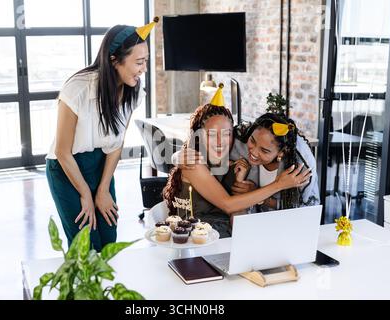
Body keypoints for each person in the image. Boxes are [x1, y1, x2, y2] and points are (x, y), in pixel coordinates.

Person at [46, 18, 159, 251]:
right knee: (85, 245)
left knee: (108, 239)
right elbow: (62, 151)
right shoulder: (77, 88)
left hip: (100, 166)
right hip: (67, 168)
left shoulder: (133, 92)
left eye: (145, 61)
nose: (144, 69)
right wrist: (86, 194)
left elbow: (116, 145)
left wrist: (103, 189)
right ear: (114, 59)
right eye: (139, 62)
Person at [162, 85, 312, 238]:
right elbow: (227, 204)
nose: (220, 142)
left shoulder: (232, 160)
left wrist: (239, 180)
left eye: (226, 134)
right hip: (195, 236)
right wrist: (280, 184)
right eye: (212, 135)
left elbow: (236, 207)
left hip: (221, 235)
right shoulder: (193, 162)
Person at [175, 110, 320, 213]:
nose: (253, 152)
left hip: (284, 227)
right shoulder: (240, 139)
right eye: (252, 141)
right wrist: (177, 157)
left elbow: (306, 211)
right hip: (246, 220)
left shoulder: (300, 168)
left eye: (264, 151)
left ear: (282, 152)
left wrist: (265, 195)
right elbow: (206, 144)